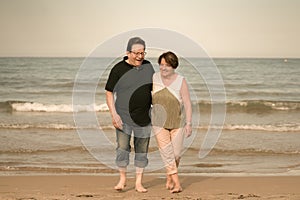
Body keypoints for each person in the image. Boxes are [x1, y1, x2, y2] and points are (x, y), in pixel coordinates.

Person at [105, 37, 154, 193]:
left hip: (144, 117)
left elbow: (154, 88)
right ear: (128, 53)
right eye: (137, 53)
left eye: (143, 53)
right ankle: (123, 179)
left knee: (142, 150)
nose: (140, 56)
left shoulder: (148, 66)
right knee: (123, 148)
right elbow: (109, 92)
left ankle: (139, 182)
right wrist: (114, 115)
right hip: (123, 116)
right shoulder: (118, 69)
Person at [151, 51, 192, 193]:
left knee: (175, 155)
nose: (163, 68)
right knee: (166, 153)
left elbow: (187, 103)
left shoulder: (181, 80)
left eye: (167, 65)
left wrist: (189, 123)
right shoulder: (154, 78)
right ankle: (177, 184)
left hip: (178, 122)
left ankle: (169, 176)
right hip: (158, 122)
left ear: (173, 66)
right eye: (161, 65)